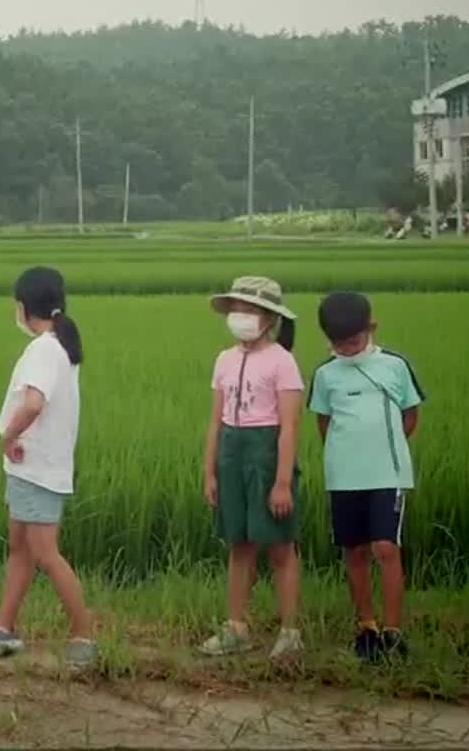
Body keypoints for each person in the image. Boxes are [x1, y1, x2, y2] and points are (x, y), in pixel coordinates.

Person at [0, 267, 95, 673]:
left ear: (21, 307)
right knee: (21, 547)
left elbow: (32, 403)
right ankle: (4, 626)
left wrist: (9, 437)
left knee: (45, 553)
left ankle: (83, 633)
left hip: (37, 468)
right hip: (31, 470)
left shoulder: (45, 349)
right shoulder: (56, 345)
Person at [310, 292, 424, 663]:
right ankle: (367, 627)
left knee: (386, 548)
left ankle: (393, 631)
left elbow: (410, 415)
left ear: (370, 329)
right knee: (354, 551)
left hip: (386, 473)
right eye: (338, 343)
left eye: (353, 341)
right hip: (344, 476)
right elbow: (324, 423)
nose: (346, 349)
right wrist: (350, 455)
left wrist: (381, 451)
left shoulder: (394, 366)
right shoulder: (325, 375)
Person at [199, 275, 305, 663]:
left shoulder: (283, 362)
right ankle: (236, 627)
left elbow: (289, 426)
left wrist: (281, 482)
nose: (240, 316)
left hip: (265, 454)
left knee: (280, 545)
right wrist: (209, 471)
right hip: (231, 450)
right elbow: (215, 421)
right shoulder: (224, 360)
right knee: (238, 543)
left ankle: (290, 631)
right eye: (236, 309)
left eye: (249, 310)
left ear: (269, 318)